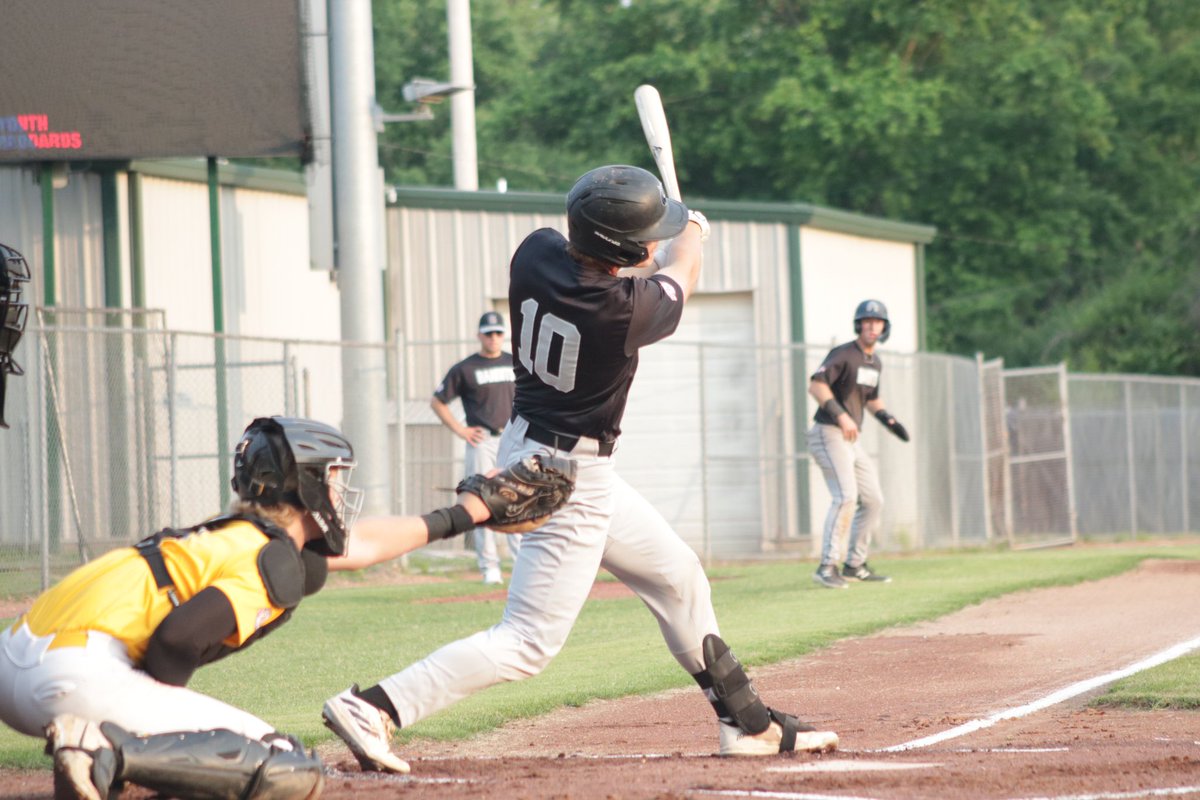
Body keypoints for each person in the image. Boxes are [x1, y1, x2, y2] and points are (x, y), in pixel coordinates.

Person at [321, 164, 838, 771]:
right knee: (527, 643)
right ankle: (377, 706)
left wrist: (662, 230)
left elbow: (645, 261)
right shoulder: (617, 310)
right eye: (643, 236)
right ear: (619, 247)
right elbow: (682, 269)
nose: (653, 242)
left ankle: (745, 722)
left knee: (677, 576)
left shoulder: (534, 253)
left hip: (534, 446)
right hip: (566, 479)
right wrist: (692, 227)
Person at [0, 415, 556, 800]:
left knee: (205, 744)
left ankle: (100, 749)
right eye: (334, 480)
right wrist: (161, 732)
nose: (340, 494)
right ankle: (103, 750)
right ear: (308, 483)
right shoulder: (273, 559)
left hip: (18, 660)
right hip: (76, 677)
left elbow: (360, 549)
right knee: (288, 764)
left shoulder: (233, 538)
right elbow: (176, 641)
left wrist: (469, 512)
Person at [806, 299, 910, 589]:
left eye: (877, 322)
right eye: (867, 321)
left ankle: (854, 564)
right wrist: (842, 417)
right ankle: (827, 566)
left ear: (884, 328)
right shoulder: (845, 354)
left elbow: (871, 398)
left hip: (850, 439)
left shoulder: (874, 361)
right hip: (828, 432)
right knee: (846, 497)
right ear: (859, 325)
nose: (872, 326)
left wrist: (890, 420)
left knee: (873, 499)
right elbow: (816, 385)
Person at [431, 310, 518, 585]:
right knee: (481, 501)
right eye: (488, 333)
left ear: (504, 335)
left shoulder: (515, 363)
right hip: (482, 441)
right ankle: (489, 567)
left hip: (512, 439)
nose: (493, 338)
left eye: (498, 333)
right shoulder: (466, 368)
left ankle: (521, 565)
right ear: (479, 335)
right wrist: (460, 430)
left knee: (517, 500)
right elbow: (437, 401)